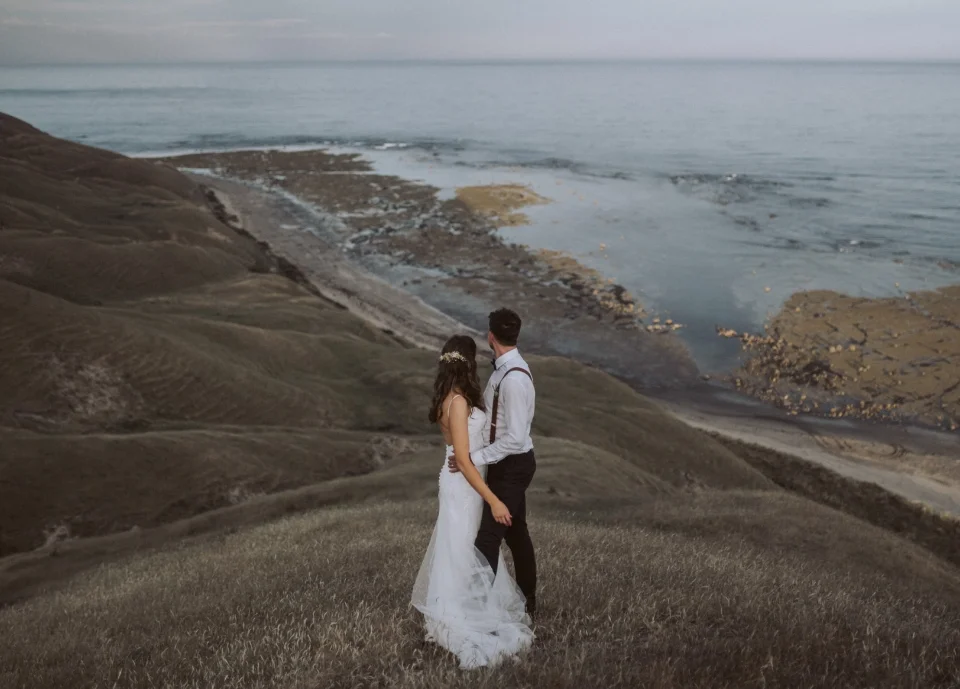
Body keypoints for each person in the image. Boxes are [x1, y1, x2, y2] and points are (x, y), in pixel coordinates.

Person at [410, 333, 534, 670]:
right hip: (466, 483)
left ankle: (457, 604)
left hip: (462, 480)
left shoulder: (449, 398)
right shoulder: (459, 402)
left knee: (460, 545)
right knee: (464, 546)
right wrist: (494, 499)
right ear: (468, 363)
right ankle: (461, 613)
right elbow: (464, 460)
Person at [448, 308, 538, 617]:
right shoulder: (502, 371)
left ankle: (471, 611)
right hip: (505, 462)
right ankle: (530, 603)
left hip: (513, 465)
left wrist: (472, 459)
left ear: (490, 336)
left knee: (488, 538)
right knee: (516, 534)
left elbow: (514, 437)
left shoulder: (513, 380)